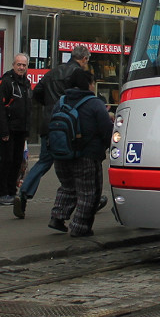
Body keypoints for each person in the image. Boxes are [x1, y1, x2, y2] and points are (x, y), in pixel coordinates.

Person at [14, 44, 89, 219]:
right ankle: (87, 195)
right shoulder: (78, 74)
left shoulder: (52, 73)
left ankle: (23, 192)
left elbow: (37, 93)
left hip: (49, 123)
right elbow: (84, 99)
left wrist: (49, 106)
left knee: (44, 161)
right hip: (69, 125)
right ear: (84, 59)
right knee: (78, 161)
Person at [48, 69, 113, 237]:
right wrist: (110, 147)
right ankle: (80, 227)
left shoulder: (61, 101)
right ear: (88, 84)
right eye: (93, 83)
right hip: (87, 156)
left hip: (61, 155)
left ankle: (57, 218)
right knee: (89, 193)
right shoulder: (95, 103)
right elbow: (107, 130)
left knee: (67, 188)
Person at [0, 53, 32, 205]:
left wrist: (27, 130)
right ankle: (1, 193)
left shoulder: (26, 83)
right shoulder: (6, 82)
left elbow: (28, 108)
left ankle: (11, 191)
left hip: (21, 129)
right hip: (9, 129)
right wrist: (3, 131)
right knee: (6, 161)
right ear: (13, 65)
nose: (21, 67)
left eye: (24, 65)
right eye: (19, 64)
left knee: (17, 162)